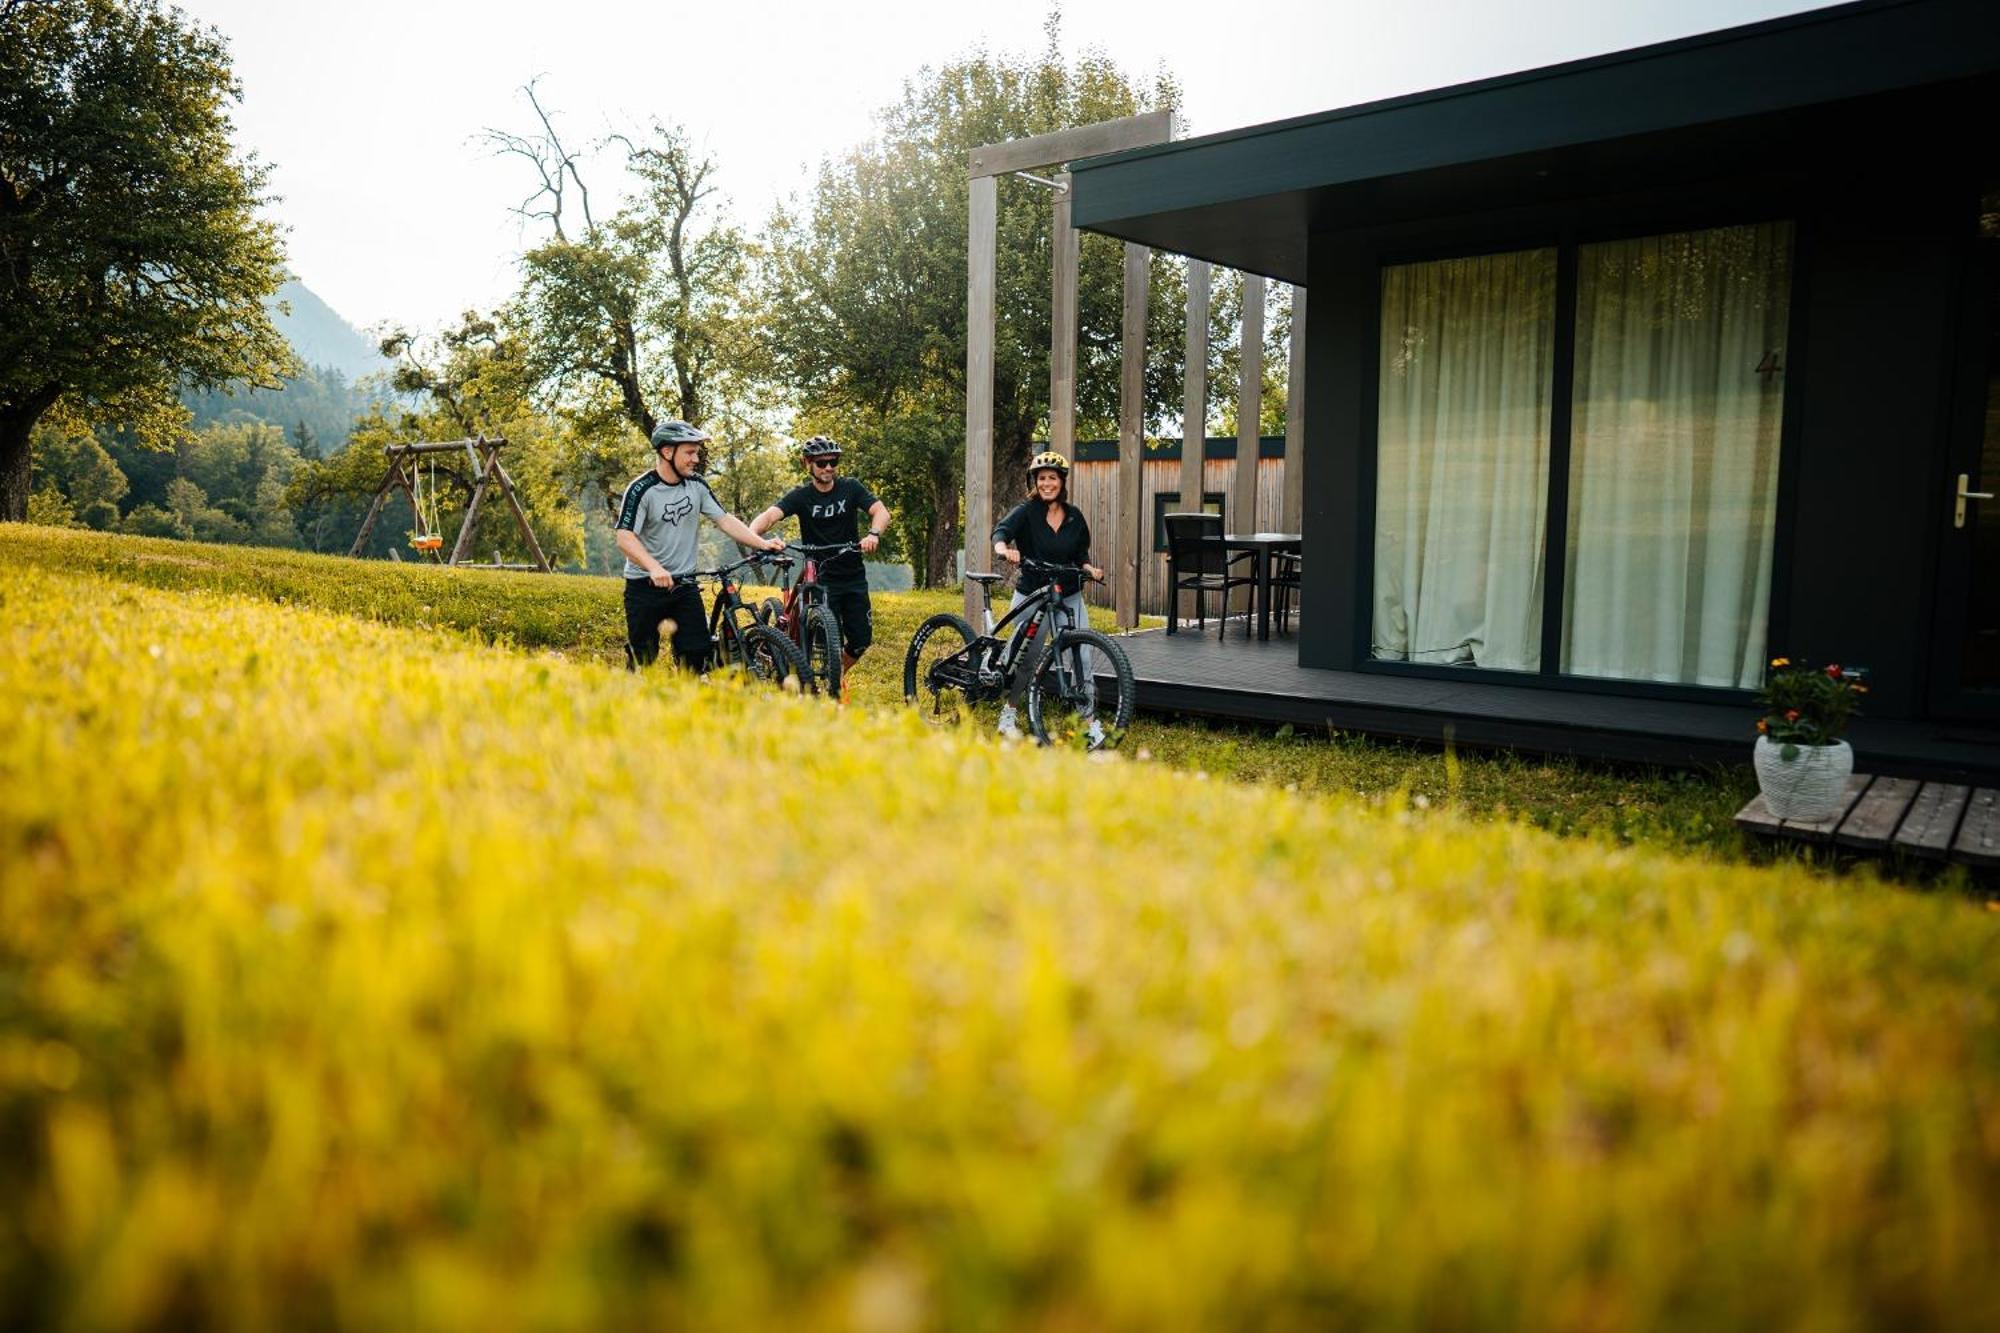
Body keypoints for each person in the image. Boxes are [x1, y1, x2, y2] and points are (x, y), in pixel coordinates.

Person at [616, 419, 784, 672]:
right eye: (690, 452)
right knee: (643, 658)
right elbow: (625, 537)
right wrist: (654, 567)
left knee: (696, 655)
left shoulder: (697, 485)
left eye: (697, 452)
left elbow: (724, 520)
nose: (696, 459)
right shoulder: (642, 489)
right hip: (645, 586)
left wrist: (762, 544)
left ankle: (687, 704)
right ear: (667, 452)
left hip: (684, 586)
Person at [747, 434, 891, 675]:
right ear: (807, 464)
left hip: (853, 576)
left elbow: (881, 512)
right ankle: (828, 682)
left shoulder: (851, 488)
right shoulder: (801, 496)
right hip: (821, 579)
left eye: (833, 462)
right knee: (827, 643)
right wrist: (755, 537)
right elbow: (769, 516)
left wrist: (873, 534)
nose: (828, 468)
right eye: (821, 463)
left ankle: (834, 676)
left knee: (861, 641)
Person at [991, 450, 1105, 743]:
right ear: (1035, 482)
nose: (1046, 483)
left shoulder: (1074, 517)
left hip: (1068, 594)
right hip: (1035, 593)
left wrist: (1090, 568)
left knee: (1082, 655)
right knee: (1027, 659)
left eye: (1052, 478)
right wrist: (1004, 550)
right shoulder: (1026, 512)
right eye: (1041, 478)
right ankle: (1009, 713)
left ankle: (1091, 724)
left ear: (1061, 482)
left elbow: (1080, 555)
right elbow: (1001, 532)